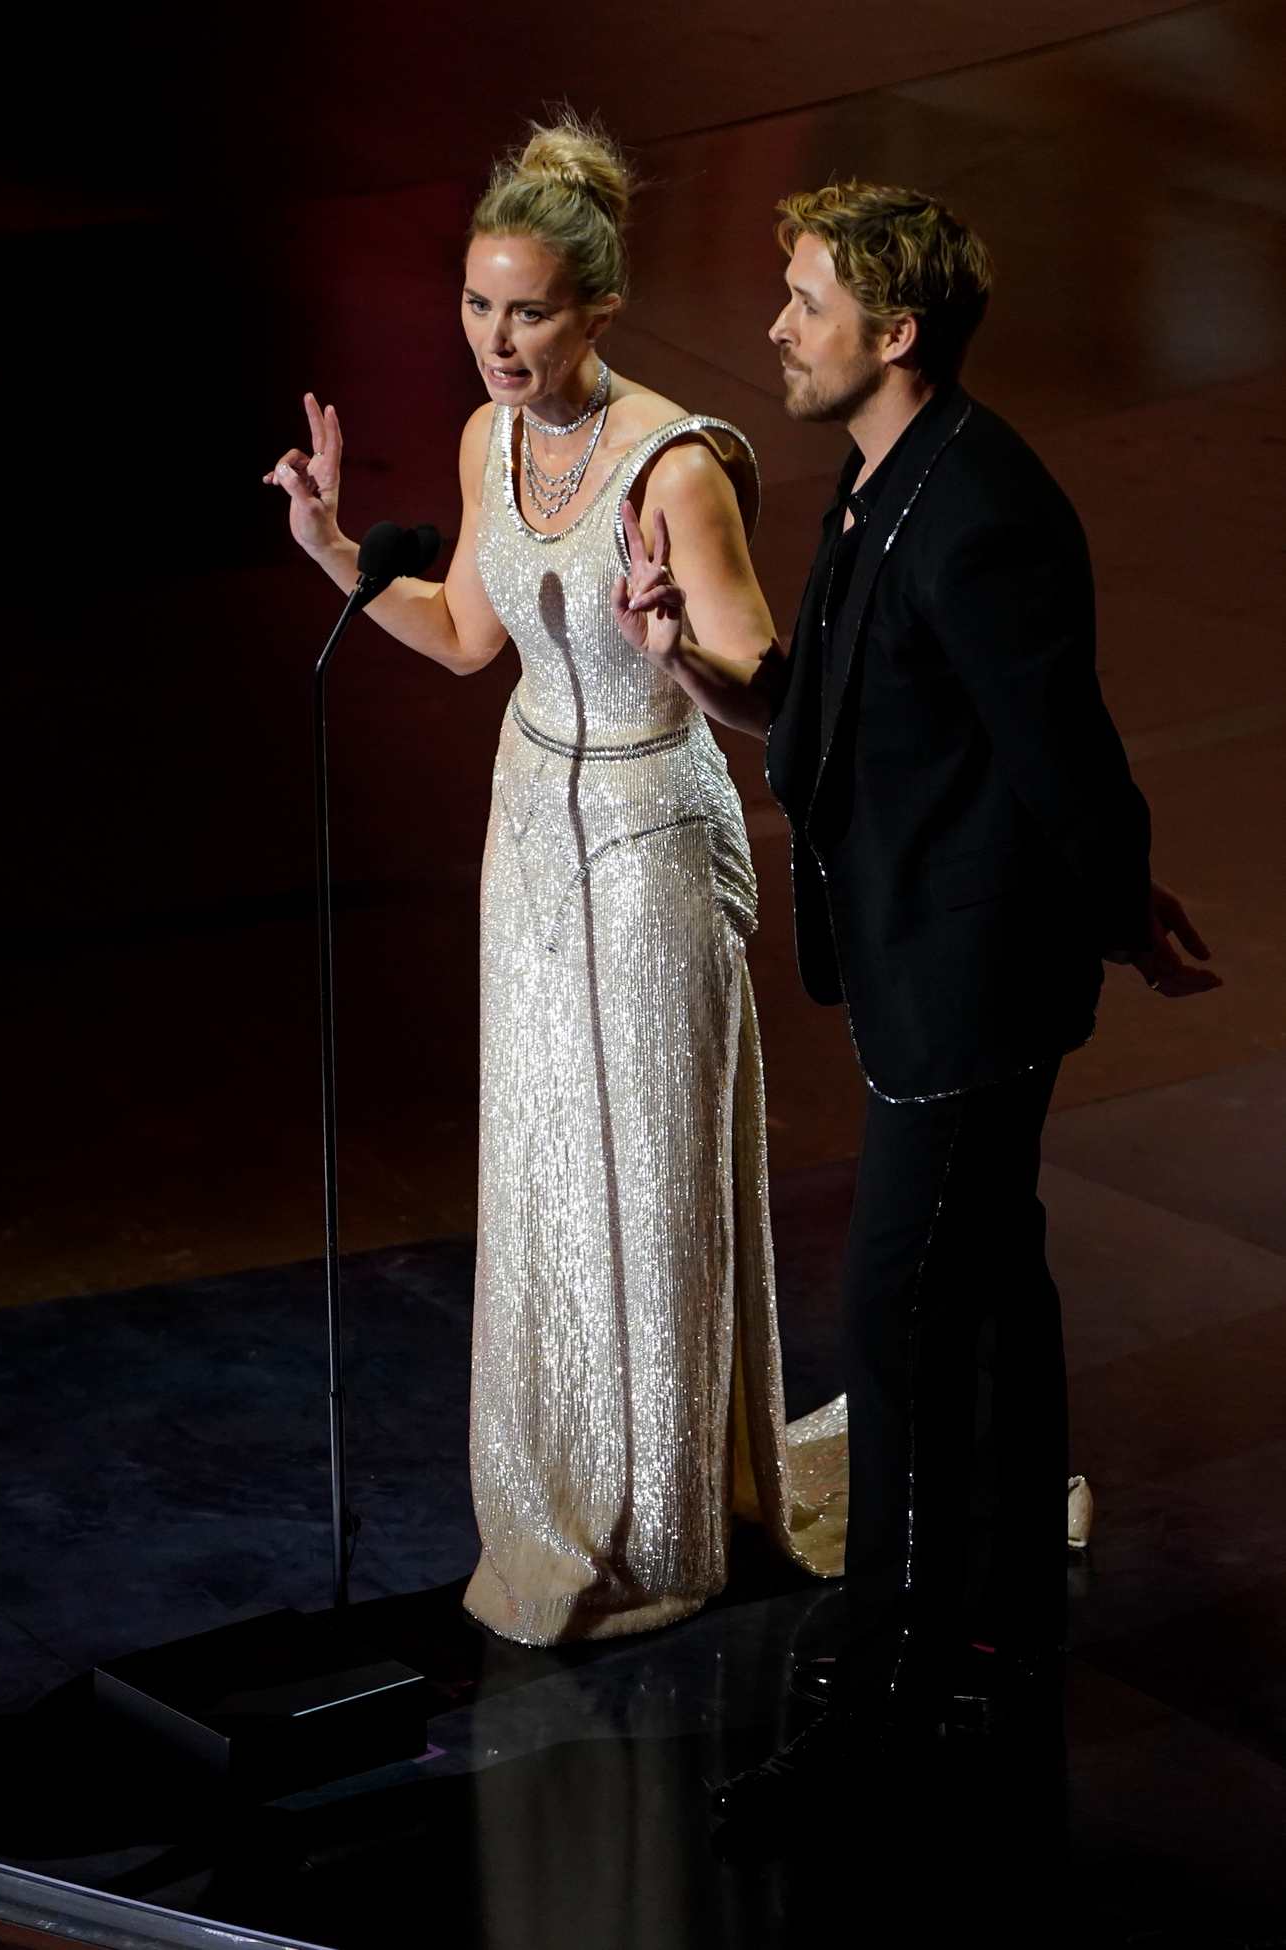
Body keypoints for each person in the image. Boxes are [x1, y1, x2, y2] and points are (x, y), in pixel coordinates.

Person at [612, 176, 1220, 1803]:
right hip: (923, 972)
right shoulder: (885, 483)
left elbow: (1060, 750)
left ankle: (885, 1687)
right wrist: (681, 653)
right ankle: (992, 1637)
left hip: (966, 994)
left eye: (803, 300)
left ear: (894, 333)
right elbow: (825, 716)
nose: (774, 327)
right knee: (989, 1304)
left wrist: (1120, 908)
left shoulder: (979, 507)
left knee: (897, 1315)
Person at [265, 116, 848, 1645]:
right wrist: (334, 551)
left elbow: (770, 692)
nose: (495, 339)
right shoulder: (484, 441)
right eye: (475, 304)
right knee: (547, 1170)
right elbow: (468, 634)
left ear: (597, 307)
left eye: (525, 309)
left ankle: (663, 1515)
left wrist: (676, 650)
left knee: (648, 1175)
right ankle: (567, 1477)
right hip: (528, 835)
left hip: (656, 837)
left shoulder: (677, 465)